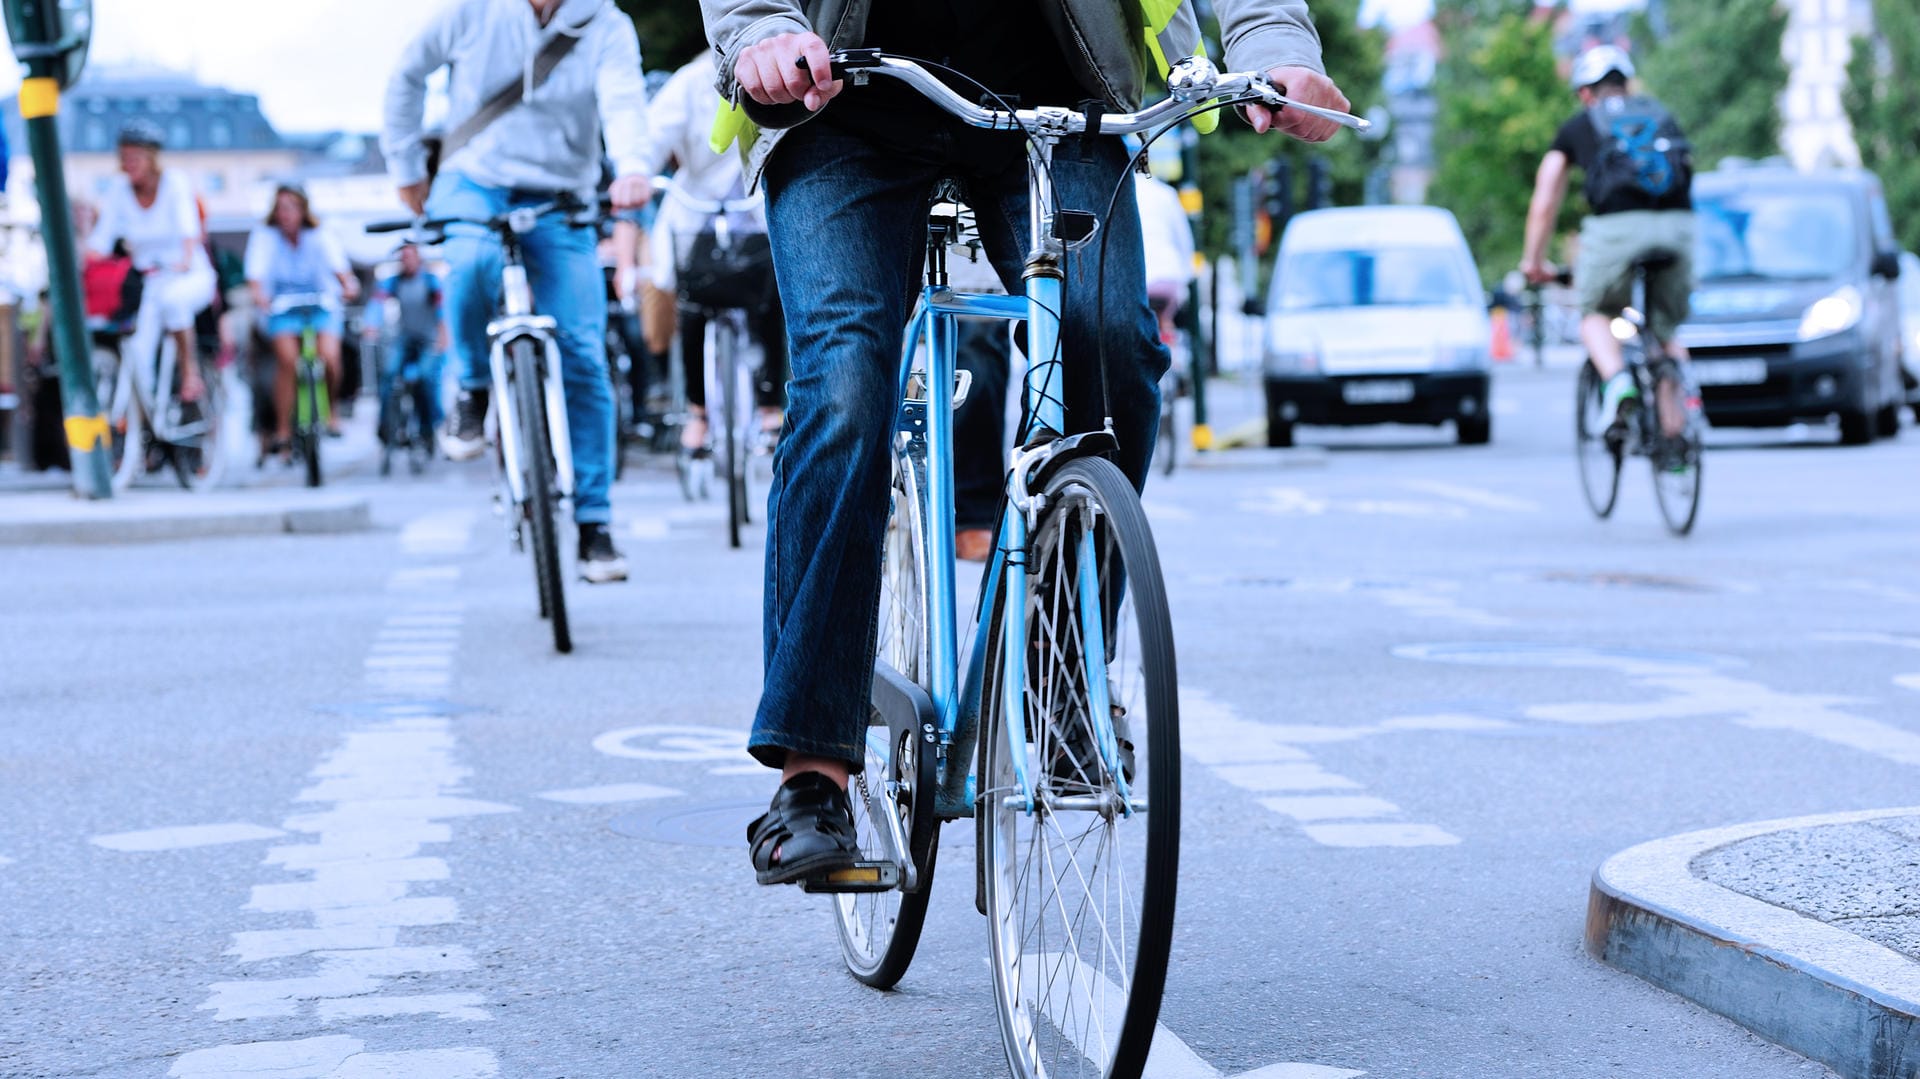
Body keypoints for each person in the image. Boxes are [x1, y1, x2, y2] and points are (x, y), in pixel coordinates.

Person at [699, 0, 1353, 885]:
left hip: (1056, 108)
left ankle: (1060, 679)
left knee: (1112, 349)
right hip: (842, 96)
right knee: (846, 387)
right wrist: (760, 31)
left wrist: (1274, 50)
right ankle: (812, 772)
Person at [383, 0, 653, 585]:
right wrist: (405, 166)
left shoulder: (604, 22)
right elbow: (409, 71)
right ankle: (474, 390)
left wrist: (632, 164)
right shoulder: (472, 10)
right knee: (473, 259)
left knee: (583, 351)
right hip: (474, 181)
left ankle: (594, 526)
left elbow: (624, 98)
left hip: (561, 192)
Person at [1521, 44, 1695, 432]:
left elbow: (1546, 199)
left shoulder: (1578, 126)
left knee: (1595, 312)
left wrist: (1533, 261)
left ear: (1585, 93)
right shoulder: (1661, 115)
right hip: (1680, 227)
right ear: (1627, 85)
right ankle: (1679, 432)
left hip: (1618, 229)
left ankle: (1618, 383)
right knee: (1664, 331)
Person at [636, 48, 787, 454]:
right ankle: (697, 413)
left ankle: (770, 406)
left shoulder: (776, 62)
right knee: (692, 300)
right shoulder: (689, 81)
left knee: (771, 297)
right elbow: (652, 137)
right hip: (697, 207)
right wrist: (637, 174)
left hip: (754, 203)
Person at [88, 120, 216, 405]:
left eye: (135, 157)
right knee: (137, 350)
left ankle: (189, 372)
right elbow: (101, 239)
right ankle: (139, 428)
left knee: (174, 303)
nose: (128, 163)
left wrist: (183, 260)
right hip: (148, 282)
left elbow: (189, 230)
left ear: (151, 157)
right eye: (124, 157)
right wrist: (81, 263)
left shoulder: (174, 183)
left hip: (186, 274)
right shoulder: (119, 190)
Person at [246, 184, 359, 455]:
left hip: (321, 303)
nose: (286, 214)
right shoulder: (265, 237)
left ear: (303, 209)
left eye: (292, 207)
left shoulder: (320, 235)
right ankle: (283, 427)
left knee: (330, 356)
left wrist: (348, 286)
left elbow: (340, 269)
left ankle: (331, 409)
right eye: (281, 208)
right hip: (283, 307)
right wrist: (261, 297)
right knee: (288, 362)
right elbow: (256, 277)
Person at [371, 243, 449, 440]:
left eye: (409, 257)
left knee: (425, 378)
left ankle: (431, 424)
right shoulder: (395, 282)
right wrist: (371, 323)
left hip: (428, 339)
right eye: (403, 258)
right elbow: (377, 302)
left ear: (418, 258)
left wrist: (443, 335)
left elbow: (442, 311)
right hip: (405, 337)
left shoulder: (430, 282)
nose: (406, 261)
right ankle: (386, 425)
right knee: (389, 374)